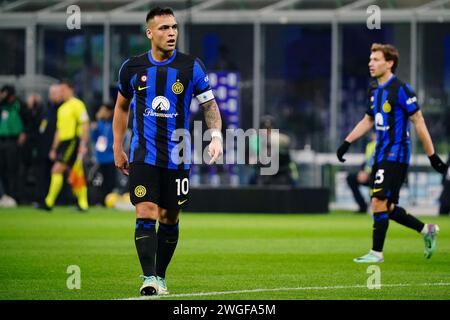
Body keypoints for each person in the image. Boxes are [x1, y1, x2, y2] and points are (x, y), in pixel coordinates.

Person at [113, 7, 223, 296]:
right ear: (150, 33)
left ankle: (160, 276)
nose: (171, 32)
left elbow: (210, 105)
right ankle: (148, 278)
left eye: (174, 27)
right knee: (146, 211)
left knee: (169, 217)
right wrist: (117, 146)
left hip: (178, 155)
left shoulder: (191, 66)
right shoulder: (132, 67)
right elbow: (121, 107)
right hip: (142, 154)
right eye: (164, 28)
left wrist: (215, 136)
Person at [336, 43, 448, 263]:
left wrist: (432, 156)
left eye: (376, 59)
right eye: (370, 59)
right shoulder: (373, 90)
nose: (371, 63)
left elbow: (419, 121)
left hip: (396, 155)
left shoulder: (402, 90)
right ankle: (426, 229)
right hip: (380, 155)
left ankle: (376, 253)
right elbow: (368, 119)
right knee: (388, 206)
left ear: (390, 63)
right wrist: (347, 142)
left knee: (377, 200)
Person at [38, 80, 90, 211]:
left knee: (56, 169)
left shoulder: (78, 104)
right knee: (76, 172)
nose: (61, 93)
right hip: (64, 143)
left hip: (73, 141)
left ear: (71, 89)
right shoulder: (61, 108)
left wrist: (83, 144)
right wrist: (54, 148)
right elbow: (59, 131)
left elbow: (84, 124)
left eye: (63, 90)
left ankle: (48, 202)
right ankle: (83, 204)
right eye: (60, 90)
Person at [0, 85, 26, 203]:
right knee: (3, 169)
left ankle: (14, 196)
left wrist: (24, 132)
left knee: (13, 169)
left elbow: (27, 119)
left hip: (13, 141)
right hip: (2, 140)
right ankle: (4, 196)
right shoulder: (2, 105)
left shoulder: (19, 104)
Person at [90, 103, 116, 204]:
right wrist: (94, 129)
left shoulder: (114, 123)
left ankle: (109, 201)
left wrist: (110, 147)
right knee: (99, 182)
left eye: (103, 110)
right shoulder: (99, 123)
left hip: (111, 157)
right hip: (100, 158)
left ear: (109, 112)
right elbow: (94, 139)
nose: (101, 113)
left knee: (110, 182)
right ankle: (99, 201)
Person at [346, 132, 376, 213]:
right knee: (350, 178)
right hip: (368, 173)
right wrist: (362, 171)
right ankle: (362, 206)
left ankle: (375, 207)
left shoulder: (385, 145)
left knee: (374, 181)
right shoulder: (369, 145)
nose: (374, 135)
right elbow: (367, 161)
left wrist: (368, 173)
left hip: (377, 174)